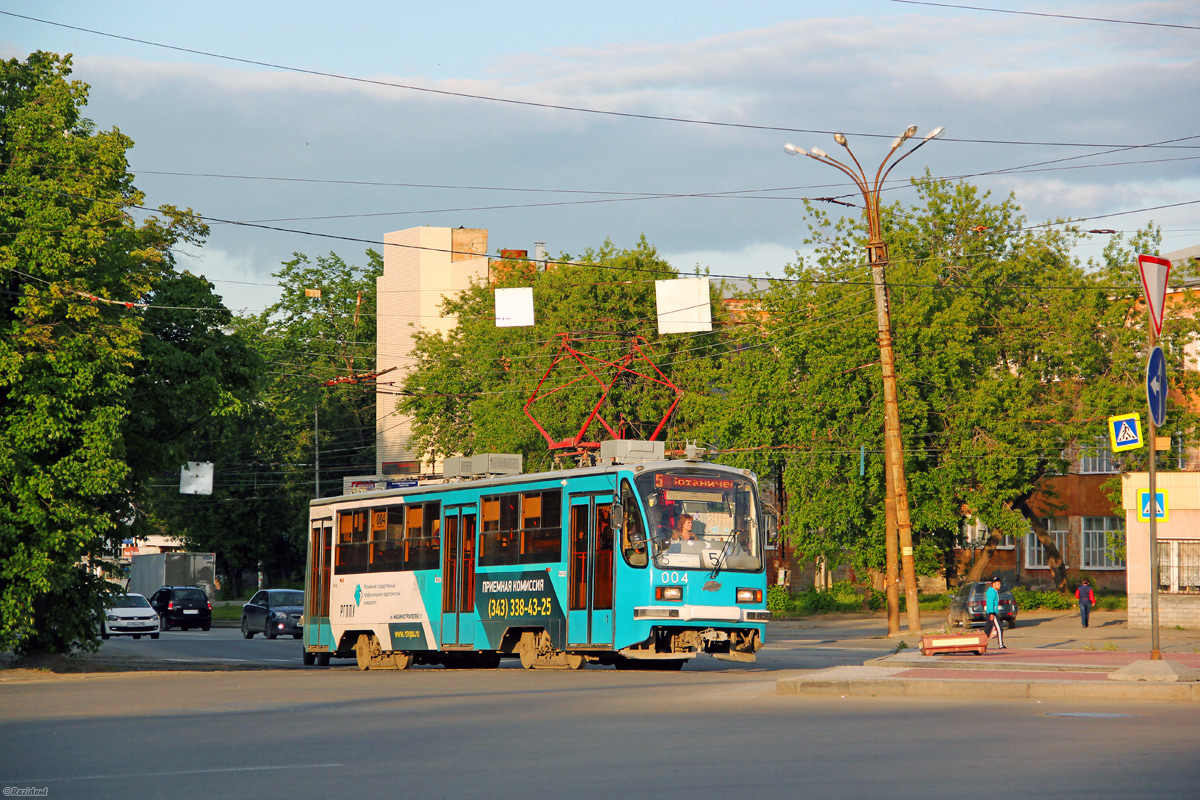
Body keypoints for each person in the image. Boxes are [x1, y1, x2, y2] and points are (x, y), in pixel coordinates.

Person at [984, 576, 1006, 649]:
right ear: (993, 584)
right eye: (998, 584)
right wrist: (992, 614)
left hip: (990, 612)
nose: (999, 585)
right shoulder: (992, 592)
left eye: (1000, 584)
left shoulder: (993, 592)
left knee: (987, 630)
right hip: (991, 613)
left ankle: (982, 643)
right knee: (999, 628)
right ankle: (1001, 645)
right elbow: (990, 603)